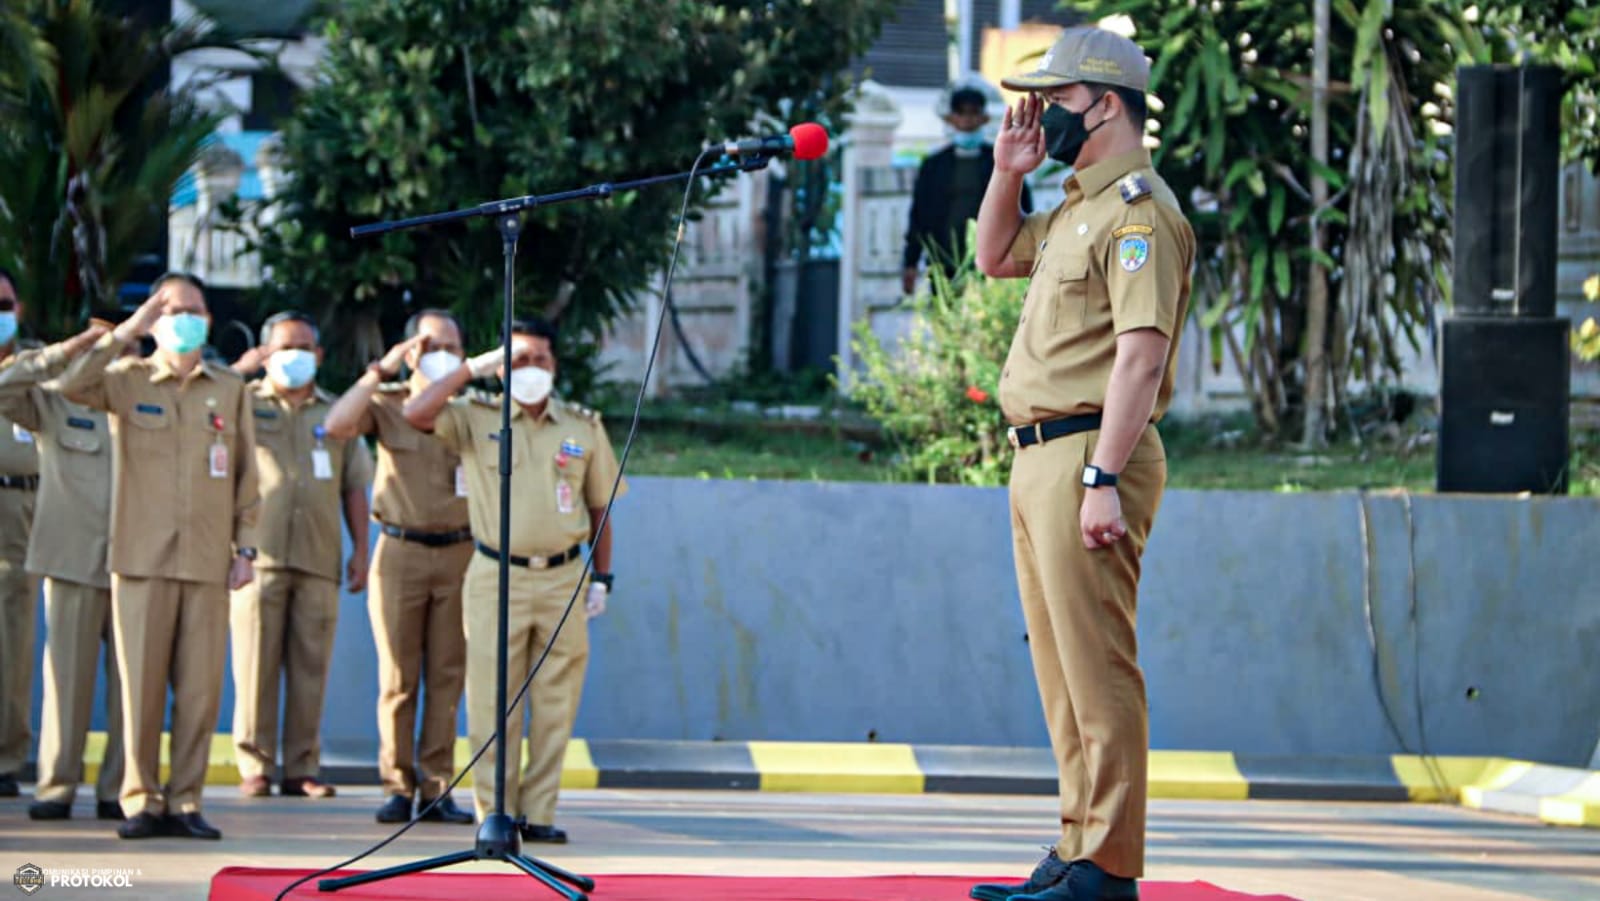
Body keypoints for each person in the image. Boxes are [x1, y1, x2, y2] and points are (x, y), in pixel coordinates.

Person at [967, 25, 1195, 901]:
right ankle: (1077, 842)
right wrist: (1007, 172)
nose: (1046, 113)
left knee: (1098, 663)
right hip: (1039, 457)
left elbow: (1140, 356)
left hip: (1090, 455)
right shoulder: (1075, 206)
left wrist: (1103, 476)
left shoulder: (1141, 212)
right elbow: (993, 256)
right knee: (1061, 666)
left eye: (1059, 100)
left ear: (1106, 103)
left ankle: (1108, 865)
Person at [402, 317, 623, 842]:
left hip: (564, 575)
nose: (530, 369)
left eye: (539, 359)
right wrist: (471, 368)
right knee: (492, 701)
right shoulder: (476, 416)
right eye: (518, 359)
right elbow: (416, 412)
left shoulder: (582, 425)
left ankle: (540, 814)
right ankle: (493, 815)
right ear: (502, 370)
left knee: (555, 700)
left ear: (555, 366)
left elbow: (601, 508)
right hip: (495, 573)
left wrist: (603, 578)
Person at [59, 272, 260, 840]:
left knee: (199, 694)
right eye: (170, 309)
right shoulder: (126, 379)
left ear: (209, 319)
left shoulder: (229, 388)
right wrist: (129, 328)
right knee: (140, 691)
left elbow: (248, 478)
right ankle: (141, 800)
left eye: (193, 309)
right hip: (141, 560)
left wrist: (246, 549)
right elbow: (72, 384)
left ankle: (186, 800)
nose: (183, 318)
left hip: (206, 561)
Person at [322, 308, 475, 825]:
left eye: (452, 348)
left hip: (461, 551)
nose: (442, 356)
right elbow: (337, 425)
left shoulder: (473, 410)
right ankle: (397, 784)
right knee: (399, 678)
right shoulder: (387, 406)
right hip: (400, 551)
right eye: (431, 346)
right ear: (410, 350)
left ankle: (437, 787)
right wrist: (378, 372)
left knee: (448, 676)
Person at [225, 311, 373, 799]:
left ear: (320, 355)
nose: (297, 356)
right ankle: (255, 765)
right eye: (286, 346)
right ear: (266, 352)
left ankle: (302, 765)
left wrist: (360, 551)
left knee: (312, 667)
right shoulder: (244, 402)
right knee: (254, 665)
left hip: (318, 557)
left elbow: (355, 486)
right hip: (257, 556)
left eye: (305, 347)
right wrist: (242, 370)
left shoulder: (336, 415)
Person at [0, 320, 128, 821]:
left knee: (131, 689)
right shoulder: (53, 401)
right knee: (66, 683)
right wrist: (63, 351)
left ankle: (120, 789)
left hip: (137, 560)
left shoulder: (141, 402)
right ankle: (57, 786)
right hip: (74, 559)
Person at [902, 79, 1034, 296]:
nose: (967, 120)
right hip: (942, 264)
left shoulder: (999, 162)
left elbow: (1023, 208)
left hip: (991, 263)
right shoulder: (934, 166)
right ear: (951, 119)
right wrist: (910, 262)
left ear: (983, 118)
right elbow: (919, 217)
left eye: (973, 114)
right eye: (961, 114)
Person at [0, 269, 42, 798]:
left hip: (24, 504)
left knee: (13, 642)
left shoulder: (35, 368)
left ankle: (6, 758)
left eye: (5, 302)